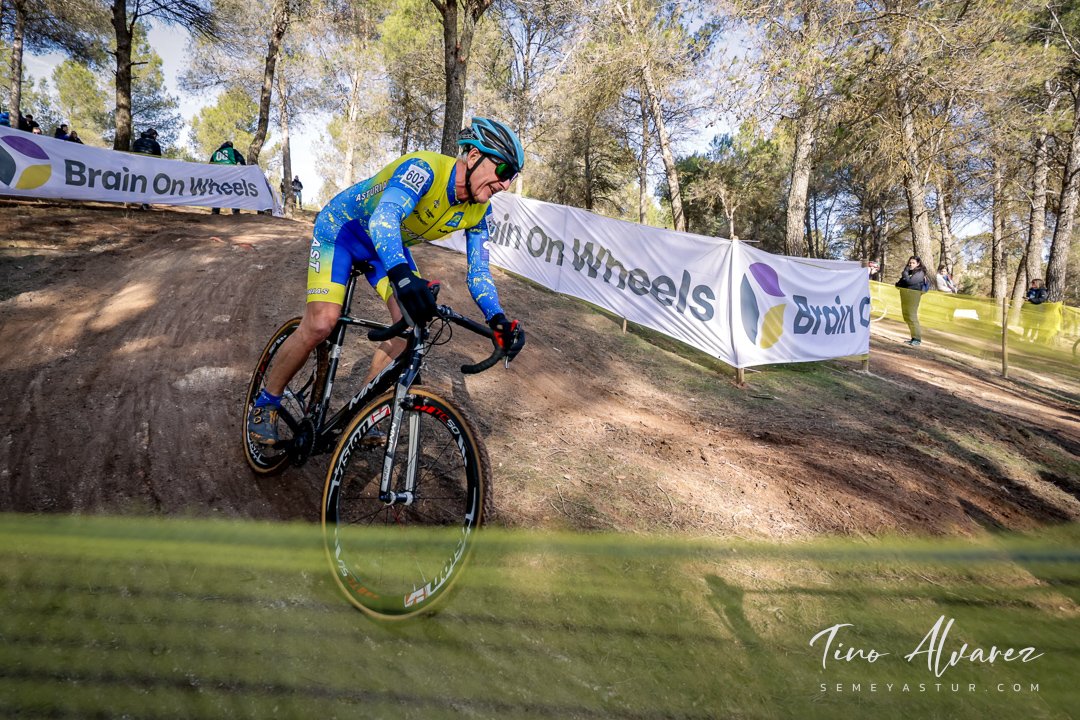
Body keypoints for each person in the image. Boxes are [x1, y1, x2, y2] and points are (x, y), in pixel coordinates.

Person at [247, 117, 527, 446]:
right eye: (504, 171)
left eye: (512, 177)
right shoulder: (425, 168)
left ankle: (361, 415)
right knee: (322, 323)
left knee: (410, 325)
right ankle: (266, 403)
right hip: (342, 231)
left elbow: (479, 272)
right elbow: (384, 219)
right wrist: (403, 277)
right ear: (474, 156)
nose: (505, 184)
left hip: (384, 247)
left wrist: (497, 318)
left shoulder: (479, 212)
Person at [895, 255, 928, 346]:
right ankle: (913, 337)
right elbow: (900, 283)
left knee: (912, 316)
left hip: (913, 296)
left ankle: (917, 339)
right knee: (906, 316)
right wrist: (903, 280)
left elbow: (910, 282)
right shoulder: (908, 272)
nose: (911, 264)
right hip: (905, 295)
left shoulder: (920, 272)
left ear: (918, 264)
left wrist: (905, 273)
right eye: (910, 262)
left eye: (913, 263)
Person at [209, 141, 246, 215]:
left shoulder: (216, 152)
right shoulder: (233, 151)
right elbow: (241, 160)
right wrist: (244, 168)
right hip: (231, 174)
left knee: (218, 192)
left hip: (218, 175)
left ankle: (215, 211)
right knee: (234, 191)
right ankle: (236, 212)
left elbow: (210, 164)